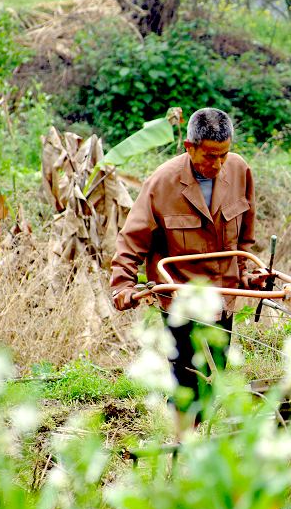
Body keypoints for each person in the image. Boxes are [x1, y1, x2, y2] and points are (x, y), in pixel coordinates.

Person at [110, 107, 268, 414]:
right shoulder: (162, 183)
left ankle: (206, 439)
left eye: (224, 155)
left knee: (216, 373)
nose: (219, 164)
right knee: (185, 379)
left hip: (225, 294)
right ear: (189, 147)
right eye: (210, 156)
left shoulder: (239, 171)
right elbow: (132, 238)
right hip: (181, 296)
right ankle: (183, 444)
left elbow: (246, 234)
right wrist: (123, 285)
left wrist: (250, 272)